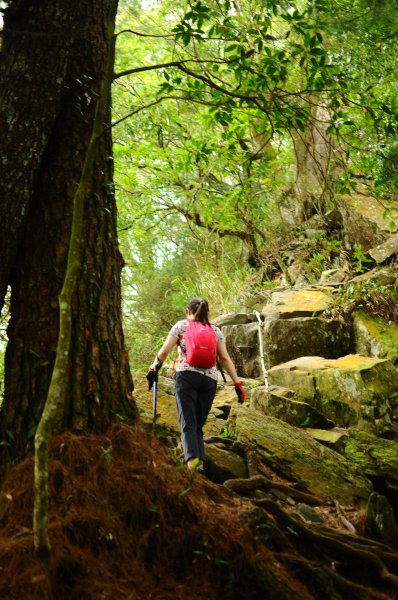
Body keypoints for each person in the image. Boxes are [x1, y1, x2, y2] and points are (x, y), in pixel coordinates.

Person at [146, 297, 245, 475]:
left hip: (186, 377)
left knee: (188, 423)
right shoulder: (215, 330)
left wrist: (154, 368)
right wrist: (237, 383)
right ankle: (200, 466)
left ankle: (192, 465)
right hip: (209, 380)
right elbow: (224, 358)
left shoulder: (181, 326)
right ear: (207, 313)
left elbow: (163, 352)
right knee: (198, 424)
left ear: (187, 312)